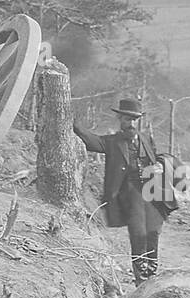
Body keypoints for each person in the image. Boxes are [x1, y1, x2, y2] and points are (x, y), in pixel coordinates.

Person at [74, 98, 176, 285]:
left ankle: (151, 274)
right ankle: (140, 279)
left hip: (151, 191)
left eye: (135, 120)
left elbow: (155, 158)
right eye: (127, 120)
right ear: (120, 120)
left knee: (153, 232)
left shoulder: (146, 139)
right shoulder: (112, 142)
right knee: (139, 233)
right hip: (129, 194)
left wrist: (160, 165)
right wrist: (73, 124)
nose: (131, 124)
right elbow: (92, 141)